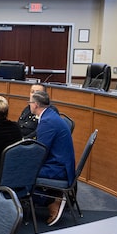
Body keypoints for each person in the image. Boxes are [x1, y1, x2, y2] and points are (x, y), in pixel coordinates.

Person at [30, 90, 75, 226]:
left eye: (30, 102)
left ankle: (51, 201)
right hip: (60, 164)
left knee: (20, 173)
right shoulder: (50, 116)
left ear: (36, 105)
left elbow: (40, 152)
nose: (29, 105)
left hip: (58, 169)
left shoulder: (47, 122)